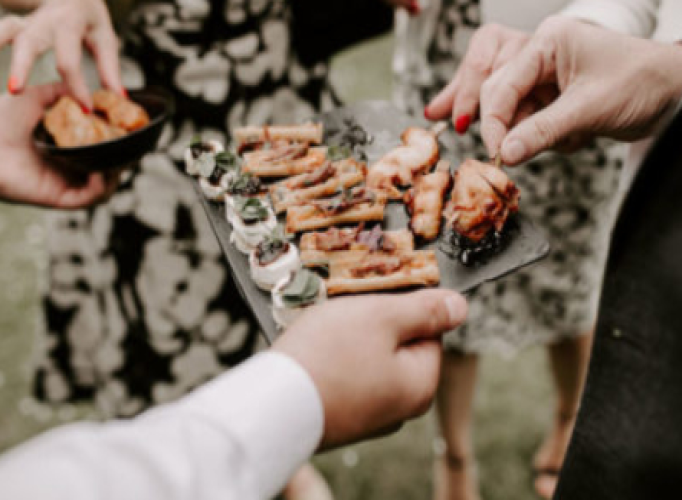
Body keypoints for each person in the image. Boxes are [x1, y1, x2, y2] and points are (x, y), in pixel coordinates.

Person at [0, 82, 469, 499]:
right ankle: (263, 457)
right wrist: (302, 393)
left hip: (270, 87)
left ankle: (285, 467)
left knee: (255, 322)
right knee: (173, 332)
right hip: (150, 132)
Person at [0, 0, 377, 496]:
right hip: (151, 148)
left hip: (274, 102)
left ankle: (279, 461)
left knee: (282, 315)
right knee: (173, 350)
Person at [398, 2, 658, 498]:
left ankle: (567, 419)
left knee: (571, 285)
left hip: (583, 58)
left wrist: (596, 24)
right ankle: (453, 454)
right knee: (449, 291)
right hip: (451, 53)